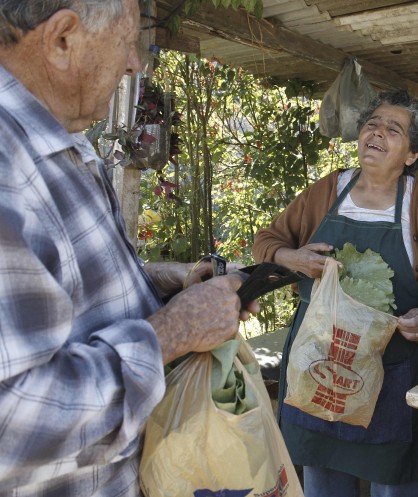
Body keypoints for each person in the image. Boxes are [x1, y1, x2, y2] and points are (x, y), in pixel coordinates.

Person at [0, 1, 257, 494]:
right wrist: (171, 332)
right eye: (126, 41)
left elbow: (64, 288)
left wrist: (164, 281)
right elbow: (14, 422)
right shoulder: (8, 169)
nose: (135, 62)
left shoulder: (56, 139)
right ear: (62, 40)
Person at [252, 89, 418, 497]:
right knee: (323, 475)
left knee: (392, 479)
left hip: (392, 371)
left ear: (411, 154)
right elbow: (267, 241)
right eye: (372, 123)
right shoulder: (327, 190)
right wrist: (293, 257)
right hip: (318, 365)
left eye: (394, 129)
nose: (377, 132)